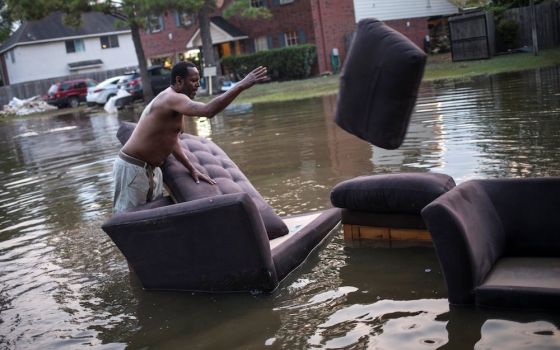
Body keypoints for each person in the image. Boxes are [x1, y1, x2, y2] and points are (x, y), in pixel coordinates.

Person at [112, 62, 268, 213]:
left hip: (151, 170)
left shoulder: (177, 103)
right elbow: (208, 111)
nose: (198, 85)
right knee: (128, 221)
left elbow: (172, 140)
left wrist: (192, 168)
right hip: (134, 168)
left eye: (198, 80)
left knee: (151, 219)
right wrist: (240, 85)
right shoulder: (171, 98)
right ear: (179, 81)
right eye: (193, 80)